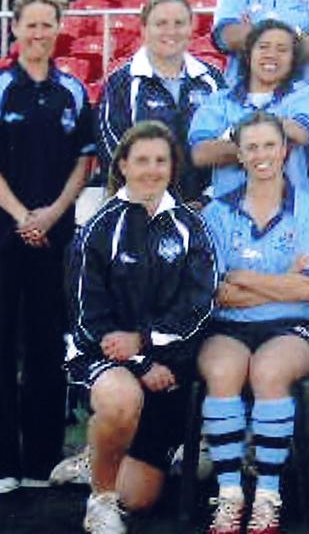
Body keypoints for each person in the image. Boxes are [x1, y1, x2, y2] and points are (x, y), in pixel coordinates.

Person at [66, 121, 217, 534]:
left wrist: (148, 343)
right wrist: (138, 361)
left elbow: (199, 307)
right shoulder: (100, 227)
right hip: (109, 362)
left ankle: (108, 452)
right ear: (124, 166)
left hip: (169, 368)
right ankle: (100, 498)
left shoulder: (190, 226)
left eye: (160, 161)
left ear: (173, 167)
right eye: (142, 161)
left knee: (141, 499)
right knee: (120, 398)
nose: (151, 170)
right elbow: (86, 318)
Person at [196, 112, 309, 534]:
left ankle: (267, 496)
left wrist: (246, 279)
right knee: (222, 372)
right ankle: (231, 495)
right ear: (238, 154)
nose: (261, 155)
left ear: (285, 150)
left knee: (269, 372)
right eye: (251, 147)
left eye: (269, 146)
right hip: (229, 323)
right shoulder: (217, 213)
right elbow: (216, 292)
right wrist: (282, 281)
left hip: (293, 326)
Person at [0, 0, 94, 493]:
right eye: (30, 24)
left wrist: (53, 213)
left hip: (55, 234)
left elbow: (84, 159)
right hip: (6, 231)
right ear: (15, 28)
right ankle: (3, 465)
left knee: (44, 348)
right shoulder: (0, 87)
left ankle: (40, 463)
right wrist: (21, 216)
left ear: (59, 29)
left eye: (47, 24)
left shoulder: (73, 90)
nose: (39, 32)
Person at [99, 0, 225, 204]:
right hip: (143, 209)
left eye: (179, 23)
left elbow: (229, 143)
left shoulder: (212, 80)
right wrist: (156, 202)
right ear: (144, 29)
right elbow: (112, 149)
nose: (171, 31)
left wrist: (206, 200)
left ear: (191, 28)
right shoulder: (121, 83)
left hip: (205, 211)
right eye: (161, 23)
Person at [189, 19, 309, 198]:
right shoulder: (218, 100)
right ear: (248, 55)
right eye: (263, 47)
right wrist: (272, 140)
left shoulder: (302, 94)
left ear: (293, 59)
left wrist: (236, 137)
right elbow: (201, 154)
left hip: (292, 213)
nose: (271, 55)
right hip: (228, 214)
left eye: (282, 49)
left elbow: (300, 134)